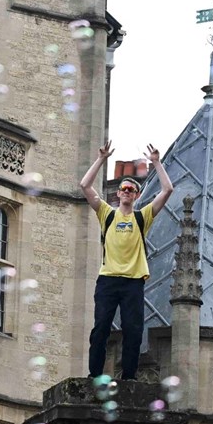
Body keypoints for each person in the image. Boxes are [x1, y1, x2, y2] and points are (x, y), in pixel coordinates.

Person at [79, 141, 174, 380]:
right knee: (101, 328)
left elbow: (167, 190)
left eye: (132, 190)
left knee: (133, 331)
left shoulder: (143, 217)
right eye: (124, 189)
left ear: (136, 195)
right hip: (108, 280)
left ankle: (129, 377)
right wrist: (101, 159)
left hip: (133, 282)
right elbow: (85, 186)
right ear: (118, 193)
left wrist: (156, 163)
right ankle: (95, 375)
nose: (127, 192)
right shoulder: (106, 214)